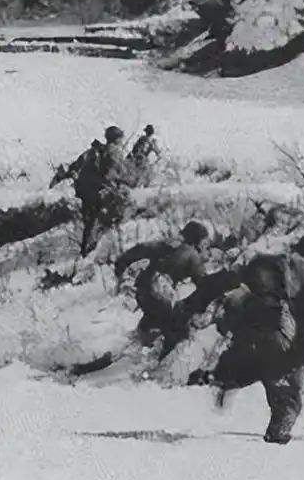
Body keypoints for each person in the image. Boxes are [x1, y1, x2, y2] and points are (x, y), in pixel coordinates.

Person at [190, 234, 304, 444]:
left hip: (244, 320)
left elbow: (225, 280)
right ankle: (277, 434)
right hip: (275, 326)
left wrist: (195, 304)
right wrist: (303, 357)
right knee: (287, 389)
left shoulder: (268, 261)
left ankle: (223, 375)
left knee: (257, 361)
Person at [113, 220, 212, 359]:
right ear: (198, 239)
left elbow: (139, 249)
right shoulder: (192, 255)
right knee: (180, 330)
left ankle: (141, 341)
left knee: (155, 318)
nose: (205, 245)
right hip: (160, 298)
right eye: (204, 241)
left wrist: (120, 266)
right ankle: (160, 358)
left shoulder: (167, 244)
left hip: (143, 292)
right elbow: (204, 283)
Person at [79, 126, 132, 257]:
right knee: (116, 218)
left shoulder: (99, 150)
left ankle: (86, 252)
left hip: (90, 191)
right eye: (120, 138)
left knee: (90, 224)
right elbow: (114, 173)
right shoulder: (115, 152)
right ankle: (113, 251)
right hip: (104, 191)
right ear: (117, 139)